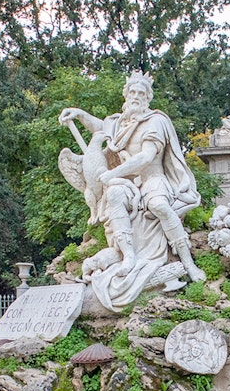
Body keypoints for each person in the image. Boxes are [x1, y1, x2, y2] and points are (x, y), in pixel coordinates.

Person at [59, 71, 206, 293]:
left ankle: (188, 263)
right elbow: (101, 127)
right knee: (115, 194)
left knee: (159, 206)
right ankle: (128, 257)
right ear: (126, 95)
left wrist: (113, 173)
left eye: (141, 93)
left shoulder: (155, 121)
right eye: (132, 92)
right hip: (127, 183)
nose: (136, 96)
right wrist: (79, 114)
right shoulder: (119, 123)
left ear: (148, 97)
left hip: (152, 179)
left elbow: (146, 157)